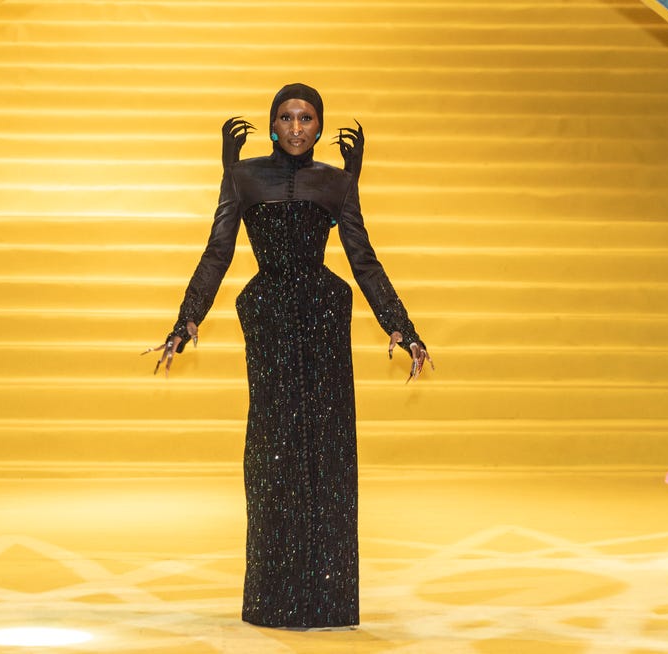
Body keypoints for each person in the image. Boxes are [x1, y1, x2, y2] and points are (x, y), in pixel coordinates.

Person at [146, 83, 432, 629]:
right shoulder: (244, 176)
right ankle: (275, 598)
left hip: (324, 317)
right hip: (271, 317)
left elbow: (363, 259)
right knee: (273, 453)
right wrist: (188, 318)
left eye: (307, 118)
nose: (297, 127)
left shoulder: (337, 183)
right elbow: (218, 251)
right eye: (286, 117)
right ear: (272, 124)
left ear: (319, 127)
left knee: (326, 451)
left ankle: (325, 601)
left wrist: (401, 326)